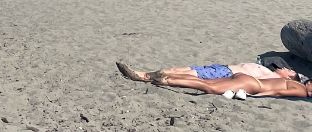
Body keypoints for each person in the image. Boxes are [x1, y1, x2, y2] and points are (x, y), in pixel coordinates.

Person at [116, 61, 311, 99]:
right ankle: (166, 80)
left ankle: (161, 77)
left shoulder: (298, 86)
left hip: (241, 78)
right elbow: (276, 92)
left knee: (208, 83)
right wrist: (257, 96)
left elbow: (278, 91)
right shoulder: (298, 88)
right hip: (248, 83)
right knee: (207, 86)